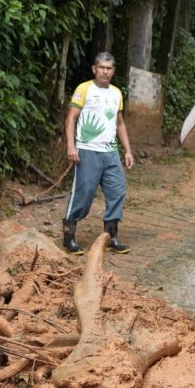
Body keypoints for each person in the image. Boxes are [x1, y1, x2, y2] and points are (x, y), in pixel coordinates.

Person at [61, 52, 135, 255]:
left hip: (110, 152)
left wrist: (127, 151)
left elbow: (119, 123)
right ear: (94, 69)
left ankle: (111, 237)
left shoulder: (116, 93)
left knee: (117, 191)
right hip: (87, 150)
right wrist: (71, 146)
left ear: (113, 71)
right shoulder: (84, 89)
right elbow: (71, 118)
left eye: (109, 68)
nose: (105, 71)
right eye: (101, 67)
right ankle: (69, 236)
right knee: (83, 194)